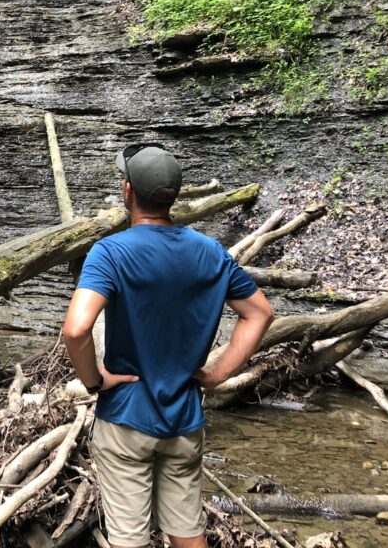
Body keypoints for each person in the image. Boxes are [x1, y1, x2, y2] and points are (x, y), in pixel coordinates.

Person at [63, 144, 274, 548]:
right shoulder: (211, 252)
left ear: (127, 192)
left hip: (126, 416)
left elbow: (76, 329)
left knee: (129, 539)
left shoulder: (110, 252)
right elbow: (260, 314)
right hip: (184, 418)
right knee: (188, 533)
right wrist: (216, 374)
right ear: (174, 196)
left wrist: (95, 381)